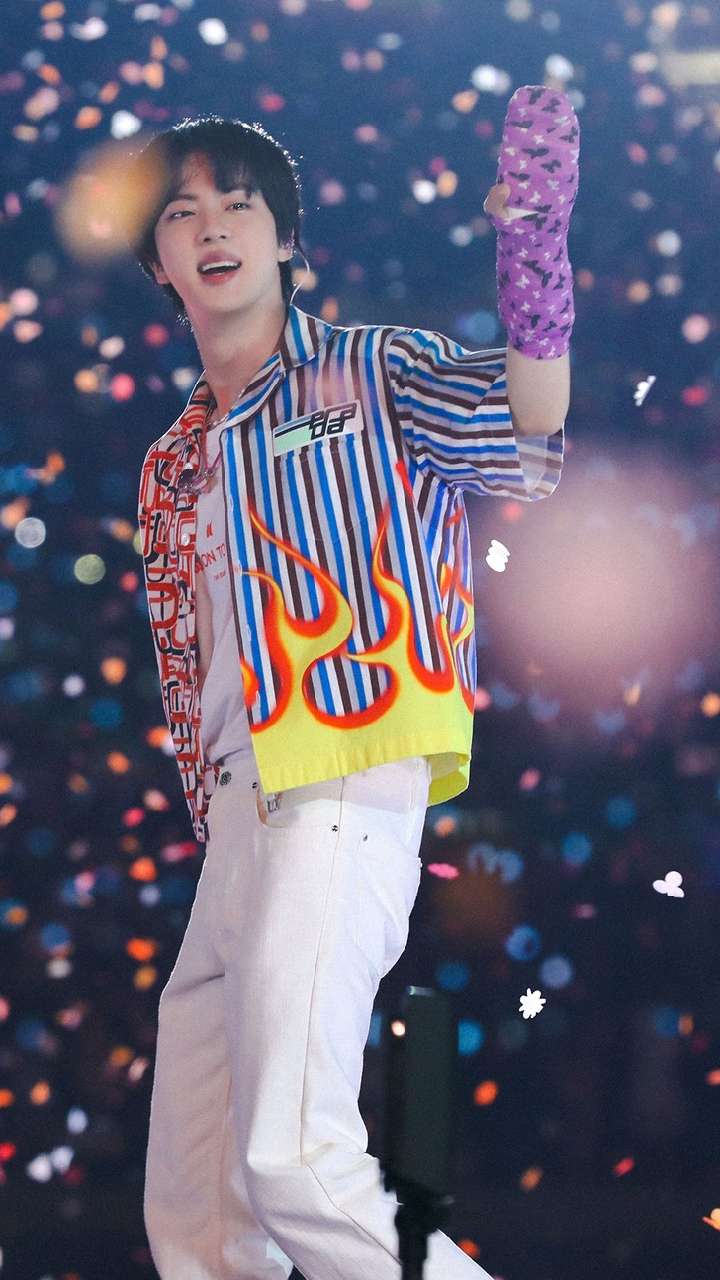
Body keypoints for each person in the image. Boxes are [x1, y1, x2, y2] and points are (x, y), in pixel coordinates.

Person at [129, 92, 577, 1280]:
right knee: (200, 1216)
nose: (212, 226)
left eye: (239, 204)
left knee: (296, 1160)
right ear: (159, 262)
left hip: (343, 780)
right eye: (182, 212)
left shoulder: (373, 369)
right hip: (235, 820)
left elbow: (531, 426)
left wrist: (533, 247)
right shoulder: (171, 464)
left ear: (287, 238)